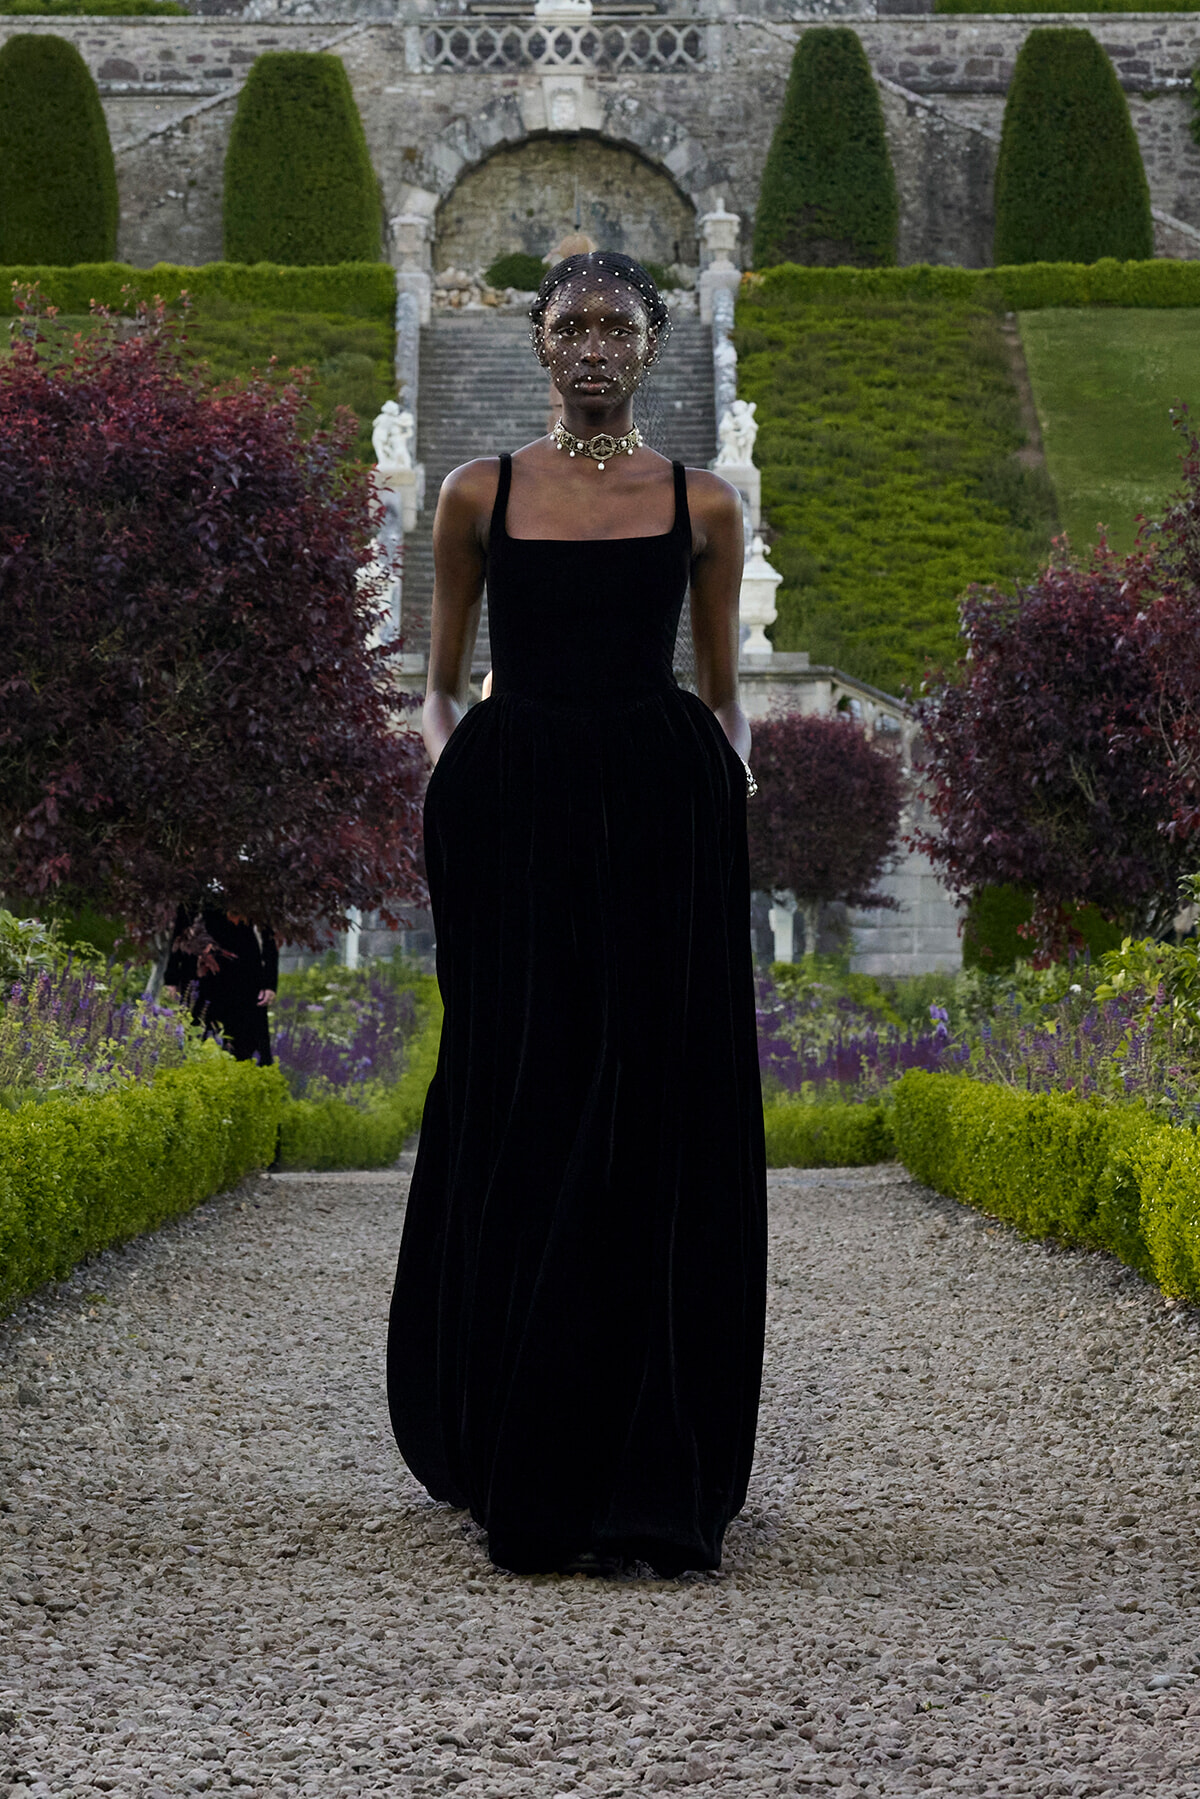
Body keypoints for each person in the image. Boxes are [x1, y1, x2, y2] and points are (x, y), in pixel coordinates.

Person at [387, 250, 767, 1578]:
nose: (595, 347)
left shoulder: (702, 502)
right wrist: (462, 781)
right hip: (517, 809)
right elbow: (439, 682)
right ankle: (510, 1423)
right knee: (523, 1087)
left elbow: (720, 695)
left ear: (654, 345)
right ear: (539, 342)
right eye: (572, 325)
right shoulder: (474, 490)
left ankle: (644, 1443)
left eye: (617, 326)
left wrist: (725, 802)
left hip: (663, 810)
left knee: (653, 1105)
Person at [164, 902, 278, 1065]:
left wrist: (270, 983)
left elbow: (268, 936)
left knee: (245, 1043)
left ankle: (245, 1083)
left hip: (243, 969)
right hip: (200, 969)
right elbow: (181, 929)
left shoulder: (253, 885)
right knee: (197, 1040)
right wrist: (171, 977)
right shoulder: (197, 885)